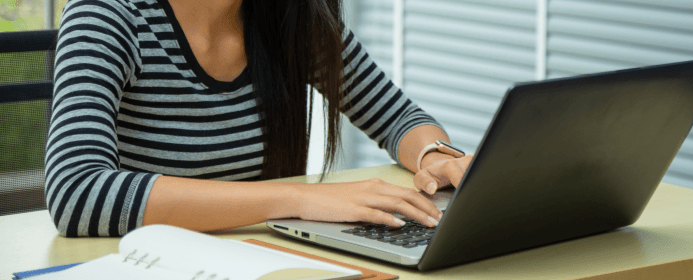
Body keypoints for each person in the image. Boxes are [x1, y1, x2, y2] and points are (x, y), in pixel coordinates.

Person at [45, 0, 472, 237]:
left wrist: (434, 159)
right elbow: (77, 190)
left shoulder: (290, 17)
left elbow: (397, 116)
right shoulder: (109, 14)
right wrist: (297, 199)